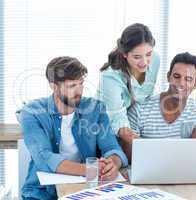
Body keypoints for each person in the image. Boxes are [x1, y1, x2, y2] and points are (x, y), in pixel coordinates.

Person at [19, 56, 128, 200]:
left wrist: (113, 164)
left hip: (86, 190)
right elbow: (44, 157)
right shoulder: (32, 112)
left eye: (81, 84)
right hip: (42, 192)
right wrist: (91, 170)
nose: (79, 91)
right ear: (53, 86)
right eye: (72, 86)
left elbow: (111, 148)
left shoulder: (95, 109)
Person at [97, 23, 160, 160]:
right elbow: (117, 118)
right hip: (109, 127)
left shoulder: (155, 60)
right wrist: (145, 147)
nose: (144, 62)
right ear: (125, 54)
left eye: (148, 54)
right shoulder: (110, 76)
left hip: (134, 123)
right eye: (137, 57)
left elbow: (147, 98)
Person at [128, 52, 196, 140]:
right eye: (176, 76)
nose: (181, 83)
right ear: (168, 76)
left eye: (188, 79)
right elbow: (131, 152)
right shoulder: (139, 109)